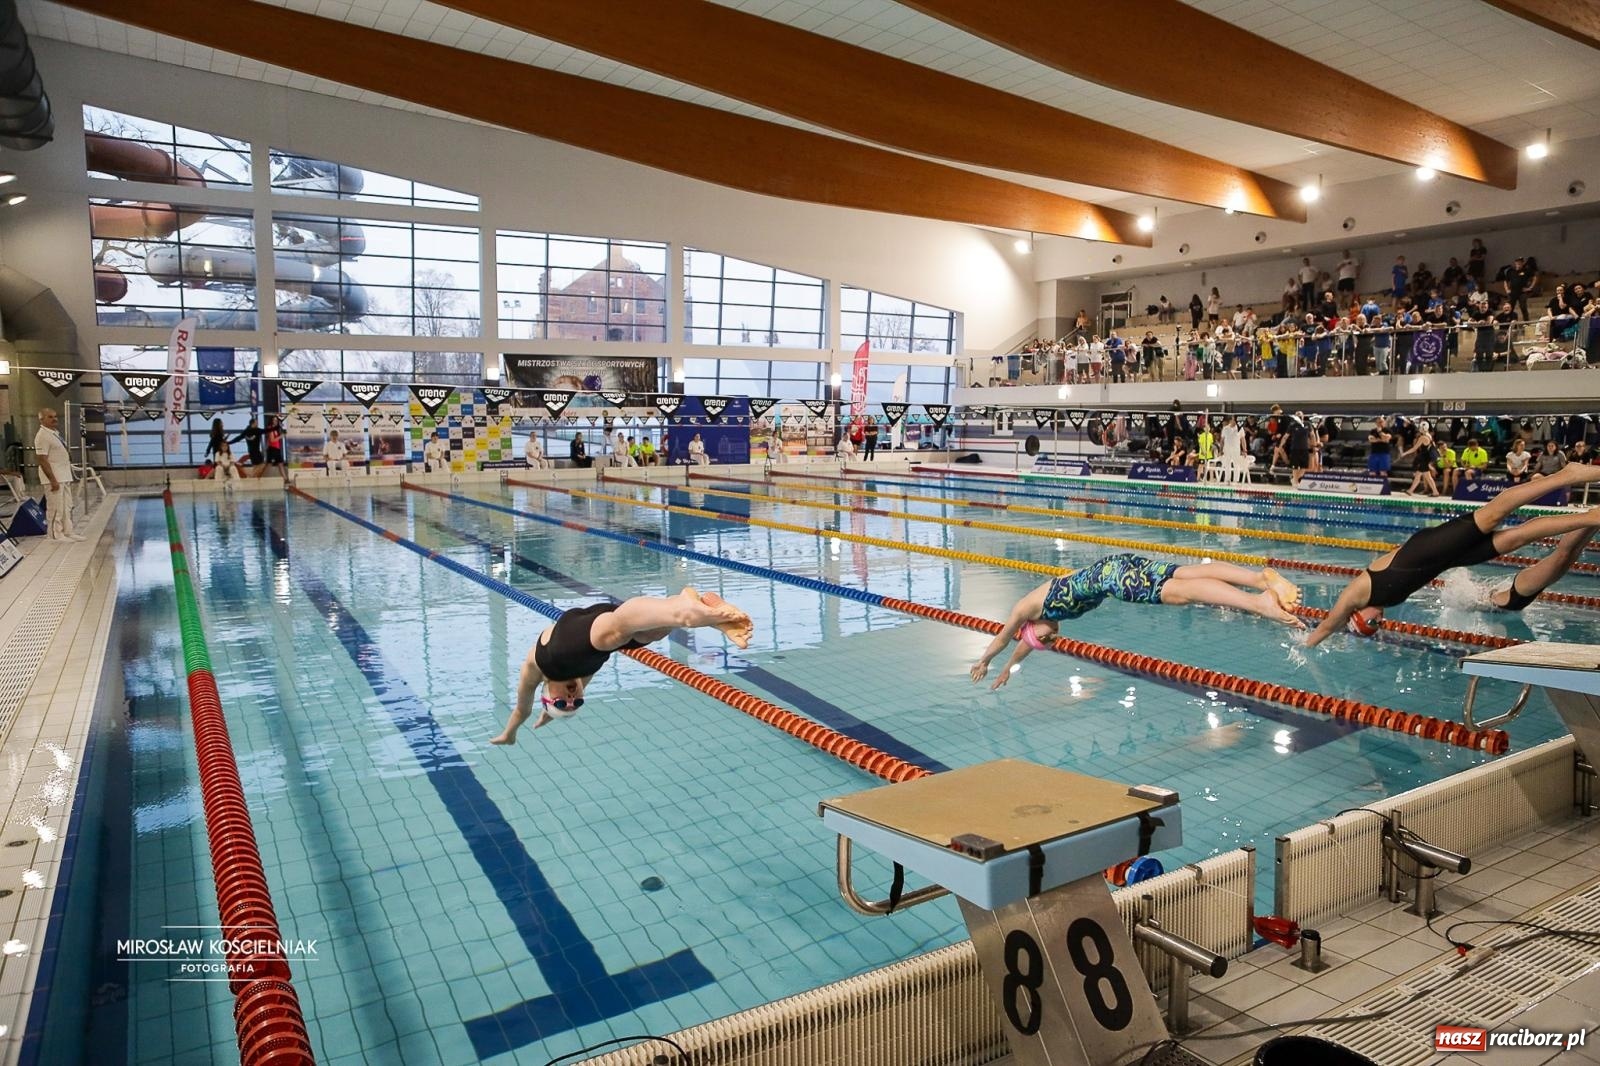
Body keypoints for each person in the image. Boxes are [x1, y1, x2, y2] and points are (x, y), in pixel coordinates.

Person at [1306, 463, 1600, 646]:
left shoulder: (1356, 594)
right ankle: (1591, 517)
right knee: (1515, 538)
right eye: (1376, 627)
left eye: (1370, 623)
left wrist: (1307, 643)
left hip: (1431, 547)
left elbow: (1330, 624)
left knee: (1494, 513)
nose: (1378, 622)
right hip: (1445, 558)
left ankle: (1565, 476)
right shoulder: (1379, 600)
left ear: (1355, 615)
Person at [969, 556, 1304, 689]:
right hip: (1116, 564)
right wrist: (1005, 670)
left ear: (1031, 628)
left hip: (1114, 579)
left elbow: (1004, 637)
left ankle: (1258, 603)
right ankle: (1259, 579)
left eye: (1044, 640)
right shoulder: (1047, 613)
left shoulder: (1026, 607)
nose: (1051, 640)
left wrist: (985, 659)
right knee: (1184, 573)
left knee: (1181, 593)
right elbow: (1023, 646)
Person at [492, 588, 753, 742]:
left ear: (546, 696)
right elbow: (556, 703)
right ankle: (690, 601)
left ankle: (685, 612)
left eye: (563, 703)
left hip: (572, 640)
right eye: (576, 704)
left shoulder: (536, 670)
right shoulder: (581, 678)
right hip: (601, 627)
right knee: (651, 634)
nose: (572, 699)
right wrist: (551, 713)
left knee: (617, 631)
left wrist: (509, 734)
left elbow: (521, 709)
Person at [33, 408, 82, 542]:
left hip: (64, 475)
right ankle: (55, 534)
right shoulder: (42, 436)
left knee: (67, 506)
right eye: (50, 417)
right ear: (41, 419)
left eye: (55, 416)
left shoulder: (54, 433)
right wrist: (52, 480)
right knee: (56, 507)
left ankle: (68, 531)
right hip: (54, 477)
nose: (54, 419)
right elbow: (42, 459)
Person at [1399, 426, 1441, 496]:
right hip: (1426, 457)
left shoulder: (1423, 437)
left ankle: (1435, 492)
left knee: (1427, 476)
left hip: (1424, 458)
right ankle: (1410, 490)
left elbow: (1414, 448)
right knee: (1418, 475)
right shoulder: (1429, 435)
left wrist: (1404, 453)